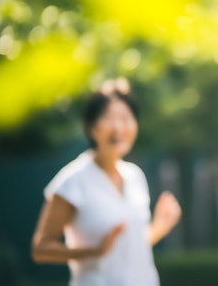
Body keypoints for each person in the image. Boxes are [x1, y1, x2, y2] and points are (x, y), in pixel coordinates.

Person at [31, 78, 182, 286]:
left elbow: (127, 247)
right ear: (91, 127)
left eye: (127, 118)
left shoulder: (135, 176)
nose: (119, 127)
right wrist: (94, 251)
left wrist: (158, 228)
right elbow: (41, 249)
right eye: (110, 118)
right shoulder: (72, 181)